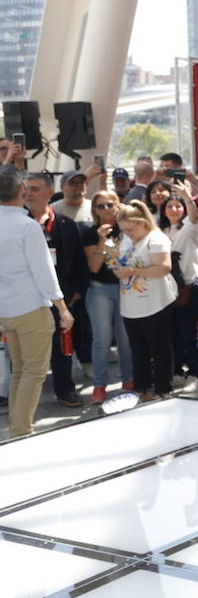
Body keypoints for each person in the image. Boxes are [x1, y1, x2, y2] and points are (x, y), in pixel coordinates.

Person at [0, 167, 75, 435]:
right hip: (31, 308)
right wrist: (63, 309)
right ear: (20, 190)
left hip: (7, 309)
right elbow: (44, 272)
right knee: (32, 372)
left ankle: (17, 426)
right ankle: (21, 430)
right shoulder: (26, 226)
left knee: (20, 369)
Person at [23, 172, 87, 407]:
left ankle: (65, 390)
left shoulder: (65, 224)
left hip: (60, 297)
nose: (29, 193)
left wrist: (78, 291)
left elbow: (79, 262)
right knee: (27, 352)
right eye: (26, 188)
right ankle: (24, 398)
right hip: (27, 299)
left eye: (35, 189)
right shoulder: (19, 223)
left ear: (50, 192)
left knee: (62, 348)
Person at [112, 200, 177, 400]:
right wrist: (118, 270)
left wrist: (133, 271)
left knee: (159, 348)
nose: (127, 233)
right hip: (131, 303)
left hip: (155, 302)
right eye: (123, 230)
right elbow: (119, 261)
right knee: (137, 349)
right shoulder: (126, 239)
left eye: (130, 229)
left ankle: (162, 388)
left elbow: (164, 267)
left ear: (143, 222)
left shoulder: (156, 238)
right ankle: (142, 387)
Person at [82, 189, 134, 403]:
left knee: (125, 339)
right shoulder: (89, 232)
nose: (106, 209)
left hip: (126, 287)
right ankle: (99, 385)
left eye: (110, 204)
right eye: (100, 206)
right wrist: (102, 241)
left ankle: (128, 380)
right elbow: (93, 268)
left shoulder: (128, 229)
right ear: (94, 210)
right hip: (99, 289)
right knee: (101, 339)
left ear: (118, 205)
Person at [160, 192, 198, 382]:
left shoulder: (190, 227)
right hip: (167, 289)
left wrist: (187, 196)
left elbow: (194, 217)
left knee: (188, 332)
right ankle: (177, 370)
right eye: (169, 206)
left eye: (178, 206)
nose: (174, 209)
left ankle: (194, 372)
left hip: (190, 286)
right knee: (173, 333)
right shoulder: (159, 231)